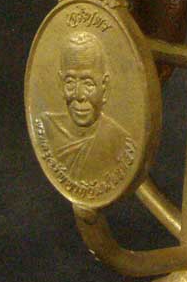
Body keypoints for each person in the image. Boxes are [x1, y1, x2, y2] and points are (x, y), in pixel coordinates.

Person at [39, 32, 135, 181]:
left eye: (88, 83)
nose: (79, 95)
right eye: (70, 82)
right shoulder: (47, 127)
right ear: (60, 84)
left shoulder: (118, 142)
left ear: (104, 87)